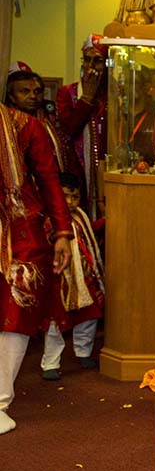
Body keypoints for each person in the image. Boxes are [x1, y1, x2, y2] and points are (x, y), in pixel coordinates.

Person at [0, 102, 71, 434]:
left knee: (17, 312)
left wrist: (62, 232)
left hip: (20, 230)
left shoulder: (24, 125)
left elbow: (48, 179)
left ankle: (0, 403)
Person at [40, 172, 104, 379]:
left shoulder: (80, 216)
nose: (69, 202)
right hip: (59, 280)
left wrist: (106, 220)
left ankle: (83, 352)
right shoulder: (49, 220)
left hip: (84, 279)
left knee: (90, 316)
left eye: (74, 197)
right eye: (65, 196)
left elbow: (90, 232)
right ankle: (50, 363)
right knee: (55, 323)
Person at [56, 35, 108, 220]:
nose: (91, 66)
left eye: (98, 61)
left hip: (107, 171)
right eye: (87, 59)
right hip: (77, 169)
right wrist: (86, 98)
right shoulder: (67, 93)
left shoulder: (114, 93)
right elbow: (68, 130)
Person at [7, 68, 78, 178]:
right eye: (25, 91)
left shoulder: (52, 116)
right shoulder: (6, 123)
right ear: (11, 96)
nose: (33, 96)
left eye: (37, 91)